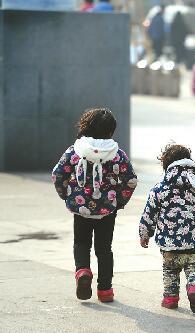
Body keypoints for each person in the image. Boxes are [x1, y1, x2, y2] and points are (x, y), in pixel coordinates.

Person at [51, 108, 137, 302]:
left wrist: (67, 196)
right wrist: (120, 201)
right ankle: (105, 290)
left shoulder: (75, 151)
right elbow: (130, 180)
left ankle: (83, 271)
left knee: (81, 243)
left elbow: (58, 174)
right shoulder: (117, 154)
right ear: (110, 131)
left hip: (81, 210)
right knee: (104, 249)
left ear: (85, 127)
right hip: (107, 210)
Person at [139, 144, 195, 314]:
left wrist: (145, 233)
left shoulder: (159, 189)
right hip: (194, 243)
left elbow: (149, 213)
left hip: (169, 245)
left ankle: (170, 299)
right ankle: (194, 289)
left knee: (170, 271)